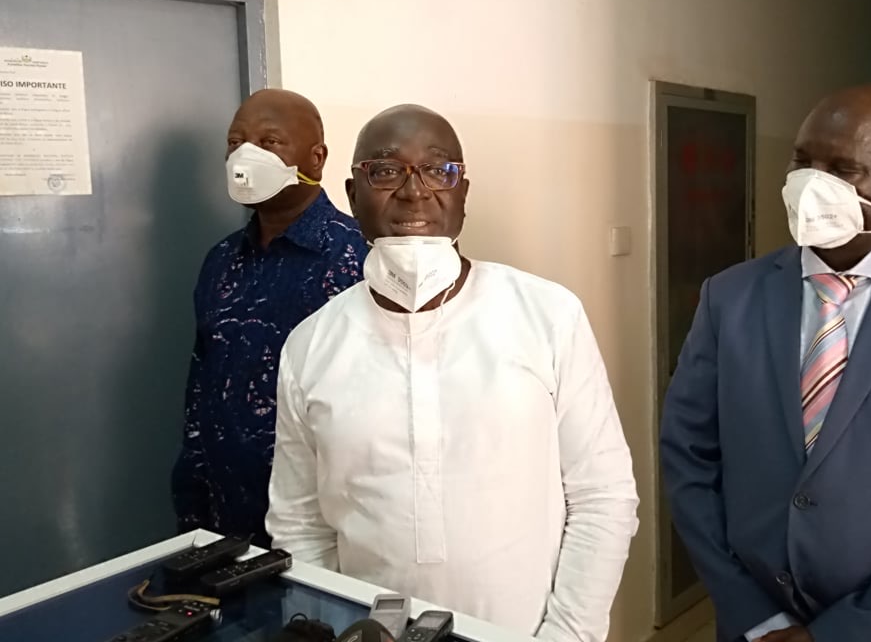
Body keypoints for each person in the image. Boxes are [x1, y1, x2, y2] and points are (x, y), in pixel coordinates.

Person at [265, 104, 638, 642]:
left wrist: (568, 633)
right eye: (385, 171)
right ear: (352, 194)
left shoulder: (548, 315)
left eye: (438, 171)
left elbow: (603, 495)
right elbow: (299, 523)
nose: (414, 191)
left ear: (463, 191)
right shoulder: (311, 346)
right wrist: (339, 625)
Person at [660, 83, 871, 642]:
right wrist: (754, 615)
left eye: (844, 170)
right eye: (802, 161)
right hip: (754, 623)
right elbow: (689, 455)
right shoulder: (730, 296)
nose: (810, 185)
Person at [172, 89, 366, 546]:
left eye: (269, 142)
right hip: (223, 519)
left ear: (316, 158)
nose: (245, 154)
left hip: (323, 526)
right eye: (235, 141)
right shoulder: (221, 261)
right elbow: (201, 388)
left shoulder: (360, 258)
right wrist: (191, 499)